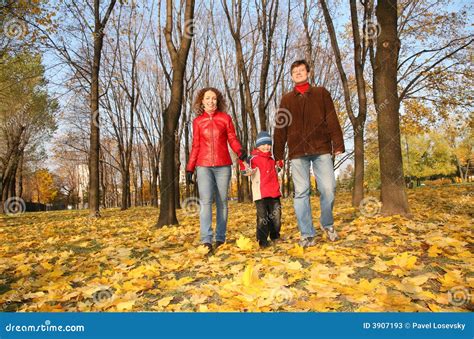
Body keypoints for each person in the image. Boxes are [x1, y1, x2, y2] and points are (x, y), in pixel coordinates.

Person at [273, 59, 345, 248]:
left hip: (321, 148)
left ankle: (327, 224)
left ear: (308, 73)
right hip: (297, 152)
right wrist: (278, 154)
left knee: (328, 189)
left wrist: (338, 143)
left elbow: (332, 118)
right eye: (294, 71)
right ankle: (307, 234)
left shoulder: (321, 93)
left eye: (301, 70)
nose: (298, 72)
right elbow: (280, 128)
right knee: (301, 192)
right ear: (291, 75)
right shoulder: (286, 99)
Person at [186, 87, 247, 253]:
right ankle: (206, 240)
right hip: (203, 165)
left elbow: (232, 138)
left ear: (217, 101)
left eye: (214, 98)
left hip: (223, 165)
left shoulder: (225, 118)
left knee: (222, 202)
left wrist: (240, 151)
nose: (211, 101)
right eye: (207, 98)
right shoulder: (197, 122)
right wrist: (190, 167)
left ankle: (220, 238)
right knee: (205, 202)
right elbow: (196, 145)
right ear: (202, 101)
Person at [240, 131, 283, 248]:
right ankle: (262, 240)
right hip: (260, 194)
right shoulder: (253, 159)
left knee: (276, 216)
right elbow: (247, 171)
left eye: (268, 144)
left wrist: (280, 164)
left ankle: (275, 236)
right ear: (257, 145)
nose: (266, 147)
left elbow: (276, 170)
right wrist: (243, 162)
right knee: (263, 218)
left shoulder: (272, 159)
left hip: (274, 193)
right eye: (263, 144)